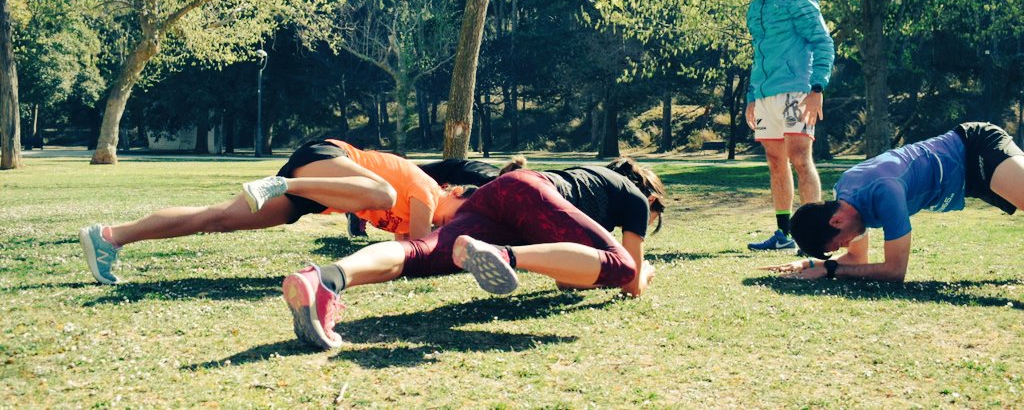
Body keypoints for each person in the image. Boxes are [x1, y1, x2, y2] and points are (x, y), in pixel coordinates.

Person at [281, 158, 667, 349]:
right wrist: (646, 270)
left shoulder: (594, 179)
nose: (645, 228)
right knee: (621, 265)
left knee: (419, 252)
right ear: (651, 200)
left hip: (502, 196)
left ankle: (325, 279)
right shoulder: (634, 198)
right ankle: (504, 256)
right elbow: (629, 282)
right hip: (524, 201)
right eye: (652, 222)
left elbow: (569, 277)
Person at [79, 139, 460, 285]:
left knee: (217, 218)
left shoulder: (418, 213)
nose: (456, 221)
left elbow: (401, 250)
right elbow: (419, 251)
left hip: (313, 193)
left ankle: (111, 237)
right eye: (463, 210)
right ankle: (283, 184)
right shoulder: (427, 190)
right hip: (327, 158)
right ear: (454, 190)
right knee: (383, 191)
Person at [762, 122, 1024, 281]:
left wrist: (830, 271)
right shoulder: (844, 199)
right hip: (966, 182)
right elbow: (856, 260)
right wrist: (812, 264)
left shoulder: (884, 191)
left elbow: (895, 271)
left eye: (839, 242)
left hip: (976, 148)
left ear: (836, 221)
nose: (846, 245)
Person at [734, 0, 835, 251]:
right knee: (775, 161)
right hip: (765, 95)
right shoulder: (754, 7)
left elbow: (823, 42)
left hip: (797, 90)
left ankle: (815, 235)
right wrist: (752, 95)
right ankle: (784, 235)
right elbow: (758, 55)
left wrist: (817, 88)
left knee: (800, 159)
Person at [346, 158, 503, 237]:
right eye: (461, 213)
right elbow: (419, 247)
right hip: (447, 175)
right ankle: (357, 213)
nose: (458, 220)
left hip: (448, 182)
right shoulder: (490, 187)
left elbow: (406, 248)